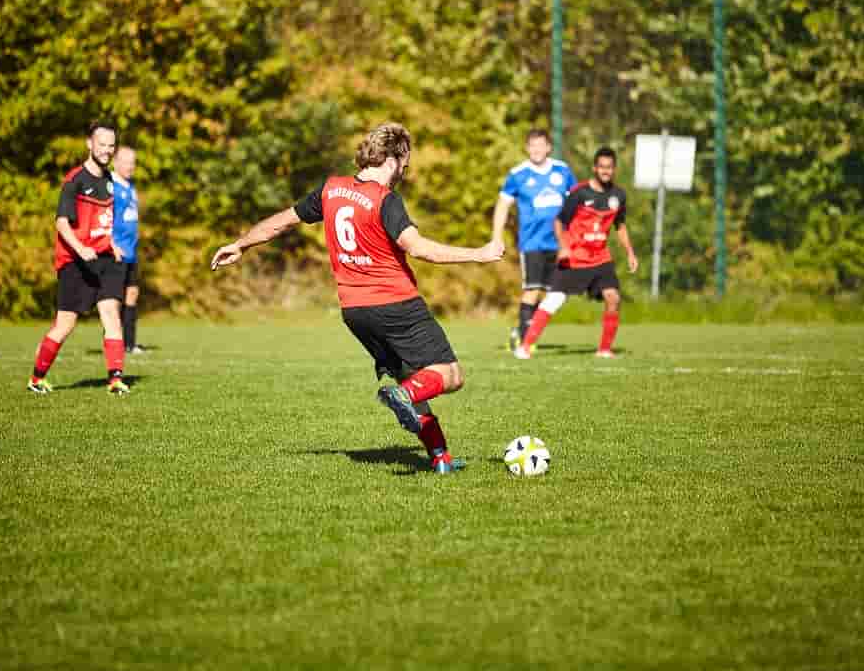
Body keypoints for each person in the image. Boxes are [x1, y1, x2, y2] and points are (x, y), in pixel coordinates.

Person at [210, 121, 504, 474]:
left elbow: (282, 222)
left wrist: (240, 244)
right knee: (450, 374)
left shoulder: (331, 190)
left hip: (355, 312)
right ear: (393, 159)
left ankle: (441, 458)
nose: (405, 172)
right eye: (405, 164)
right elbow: (419, 248)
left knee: (412, 381)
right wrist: (479, 254)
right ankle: (406, 398)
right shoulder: (385, 200)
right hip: (396, 304)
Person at [28, 123, 129, 395]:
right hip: (76, 261)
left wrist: (112, 244)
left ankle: (115, 380)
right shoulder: (75, 181)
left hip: (105, 259)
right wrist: (81, 248)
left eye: (111, 145)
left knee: (111, 315)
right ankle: (37, 378)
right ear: (89, 144)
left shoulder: (111, 181)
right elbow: (61, 223)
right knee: (65, 325)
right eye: (102, 144)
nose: (107, 150)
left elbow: (103, 220)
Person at [513, 146, 638, 360]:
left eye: (609, 167)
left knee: (613, 297)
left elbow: (620, 226)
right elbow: (559, 221)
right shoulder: (580, 193)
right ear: (595, 168)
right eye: (602, 167)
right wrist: (563, 246)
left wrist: (630, 253)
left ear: (614, 169)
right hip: (575, 258)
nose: (605, 171)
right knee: (554, 300)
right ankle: (525, 346)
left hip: (600, 259)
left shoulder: (618, 196)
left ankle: (604, 350)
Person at [491, 129, 576, 351]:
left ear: (549, 147)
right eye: (532, 145)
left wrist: (576, 235)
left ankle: (524, 330)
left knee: (558, 293)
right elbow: (503, 205)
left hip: (560, 243)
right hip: (532, 243)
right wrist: (496, 237)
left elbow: (576, 202)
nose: (536, 149)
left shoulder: (562, 171)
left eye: (540, 145)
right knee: (532, 289)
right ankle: (523, 338)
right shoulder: (518, 174)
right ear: (527, 148)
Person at [112, 145, 145, 355]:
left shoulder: (131, 186)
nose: (130, 166)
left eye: (133, 162)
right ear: (115, 162)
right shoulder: (110, 186)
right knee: (113, 301)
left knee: (132, 294)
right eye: (126, 161)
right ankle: (114, 342)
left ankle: (130, 344)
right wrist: (111, 244)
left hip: (131, 251)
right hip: (116, 251)